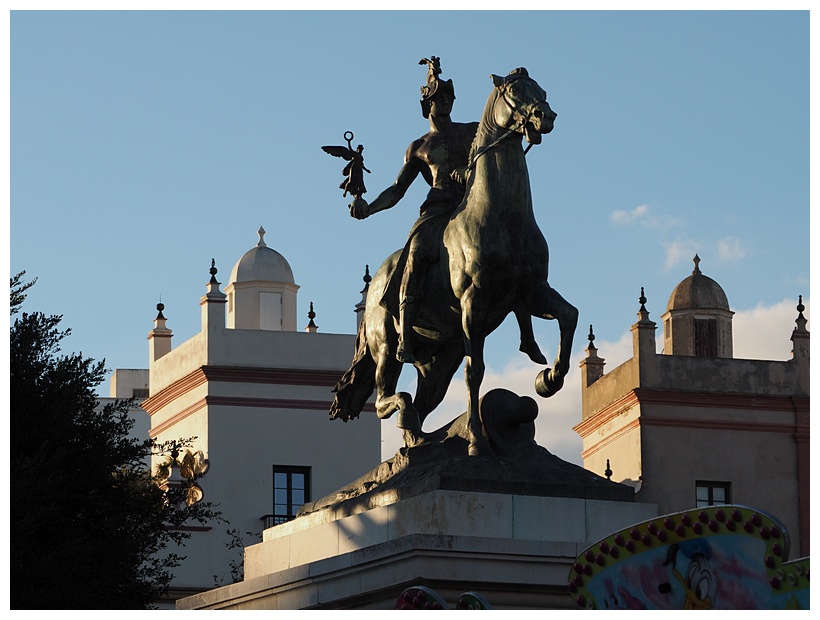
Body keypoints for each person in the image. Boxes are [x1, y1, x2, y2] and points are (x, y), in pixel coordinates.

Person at [349, 56, 477, 363]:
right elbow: (397, 190)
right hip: (437, 209)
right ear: (427, 105)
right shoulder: (418, 146)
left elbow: (489, 156)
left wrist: (468, 170)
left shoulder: (470, 131)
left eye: (448, 98)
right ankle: (405, 331)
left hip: (469, 204)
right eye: (438, 98)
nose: (445, 103)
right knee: (417, 253)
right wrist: (369, 209)